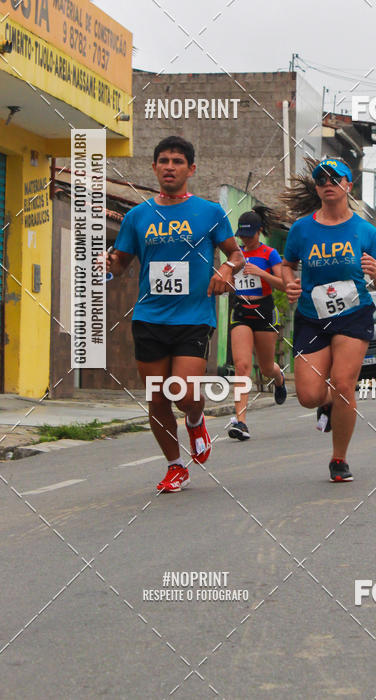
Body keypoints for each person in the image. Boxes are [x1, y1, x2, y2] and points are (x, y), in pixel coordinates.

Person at [106, 136, 244, 492]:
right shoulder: (138, 216)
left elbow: (236, 255)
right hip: (150, 317)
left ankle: (196, 419)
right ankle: (174, 465)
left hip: (194, 316)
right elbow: (120, 264)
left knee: (183, 392)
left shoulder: (210, 212)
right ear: (153, 168)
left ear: (191, 169)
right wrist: (108, 263)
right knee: (157, 396)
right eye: (163, 160)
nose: (170, 166)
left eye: (178, 161)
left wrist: (226, 270)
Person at [281, 158, 376, 482]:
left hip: (353, 315)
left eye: (335, 178)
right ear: (317, 188)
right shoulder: (302, 229)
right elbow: (288, 264)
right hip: (311, 317)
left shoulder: (365, 231)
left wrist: (375, 274)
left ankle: (339, 459)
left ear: (348, 186)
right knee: (308, 396)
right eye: (321, 179)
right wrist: (289, 280)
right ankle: (327, 402)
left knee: (344, 384)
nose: (328, 183)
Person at [228, 206, 287, 441]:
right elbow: (229, 279)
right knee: (242, 366)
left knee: (265, 367)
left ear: (259, 231)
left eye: (249, 234)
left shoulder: (269, 253)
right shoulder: (236, 254)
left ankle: (279, 377)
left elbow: (283, 284)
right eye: (241, 234)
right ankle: (240, 421)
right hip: (241, 311)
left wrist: (262, 274)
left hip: (263, 311)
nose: (244, 239)